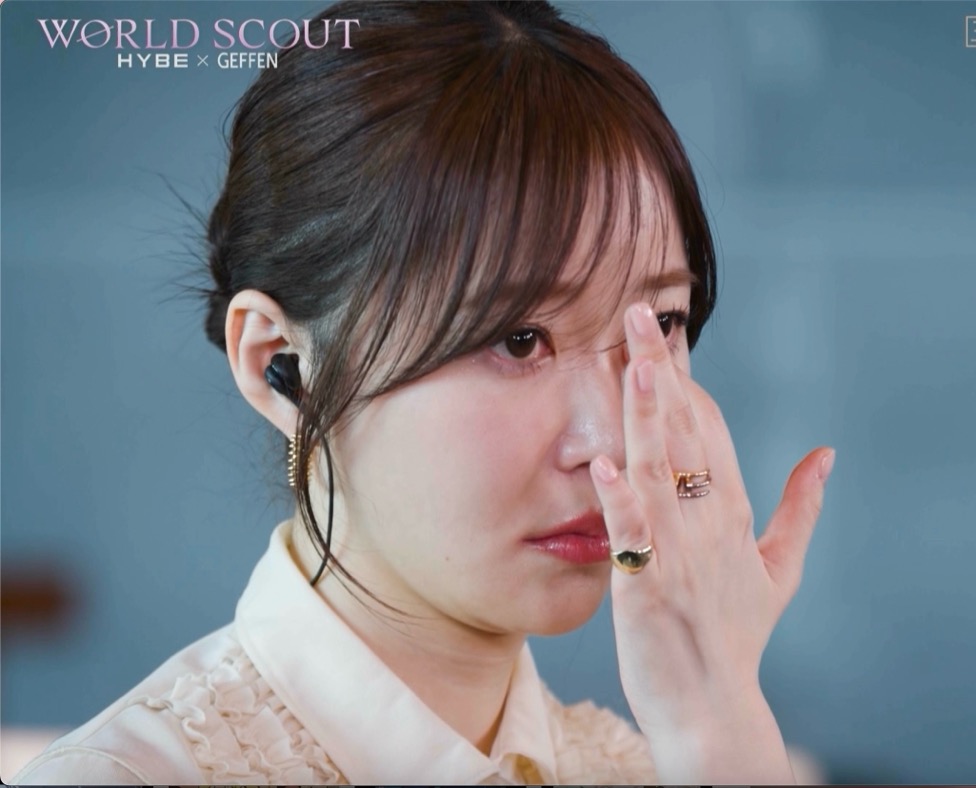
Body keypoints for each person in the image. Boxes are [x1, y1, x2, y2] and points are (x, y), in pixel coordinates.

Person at [13, 1, 835, 784]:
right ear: (281, 364)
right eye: (519, 339)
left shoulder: (667, 761)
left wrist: (718, 721)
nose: (609, 441)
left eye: (662, 322)